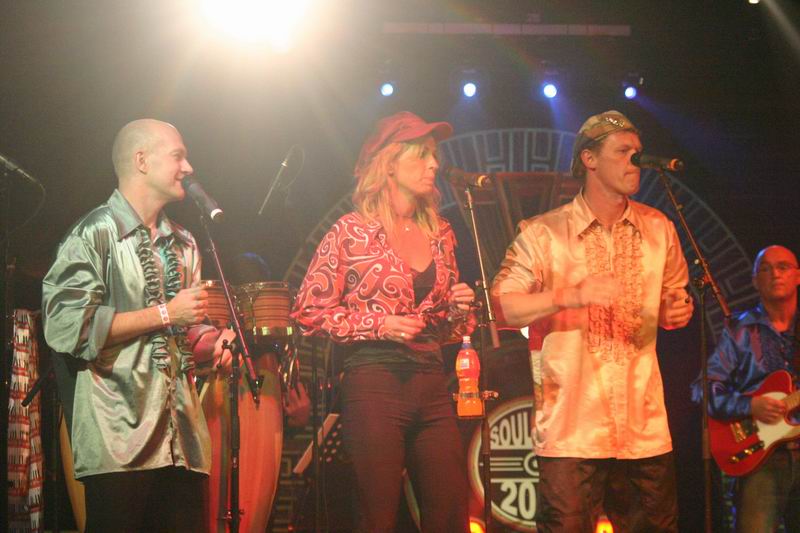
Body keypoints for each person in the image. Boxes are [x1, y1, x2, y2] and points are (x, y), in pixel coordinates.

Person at [491, 110, 694, 532]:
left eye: (638, 152)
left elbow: (672, 299)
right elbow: (504, 308)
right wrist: (570, 295)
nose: (635, 160)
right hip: (572, 429)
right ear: (589, 159)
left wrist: (676, 312)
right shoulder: (543, 233)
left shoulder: (659, 229)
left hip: (644, 427)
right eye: (622, 151)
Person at [291, 111, 476, 532]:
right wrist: (379, 325)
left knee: (450, 510)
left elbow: (444, 326)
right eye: (422, 154)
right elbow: (307, 311)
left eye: (434, 155)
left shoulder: (441, 232)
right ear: (390, 163)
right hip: (374, 382)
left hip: (431, 379)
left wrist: (459, 309)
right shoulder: (351, 232)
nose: (434, 164)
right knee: (377, 515)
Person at [42, 119, 222, 532]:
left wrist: (213, 341)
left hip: (181, 441)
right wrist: (165, 313)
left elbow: (186, 333)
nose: (188, 167)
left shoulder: (185, 242)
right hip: (119, 442)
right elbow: (66, 326)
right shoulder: (94, 233)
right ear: (142, 161)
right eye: (178, 156)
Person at [694, 245, 800, 532]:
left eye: (783, 267)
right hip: (760, 457)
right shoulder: (740, 331)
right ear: (754, 280)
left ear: (798, 276)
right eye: (765, 268)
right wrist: (750, 405)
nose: (775, 274)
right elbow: (703, 389)